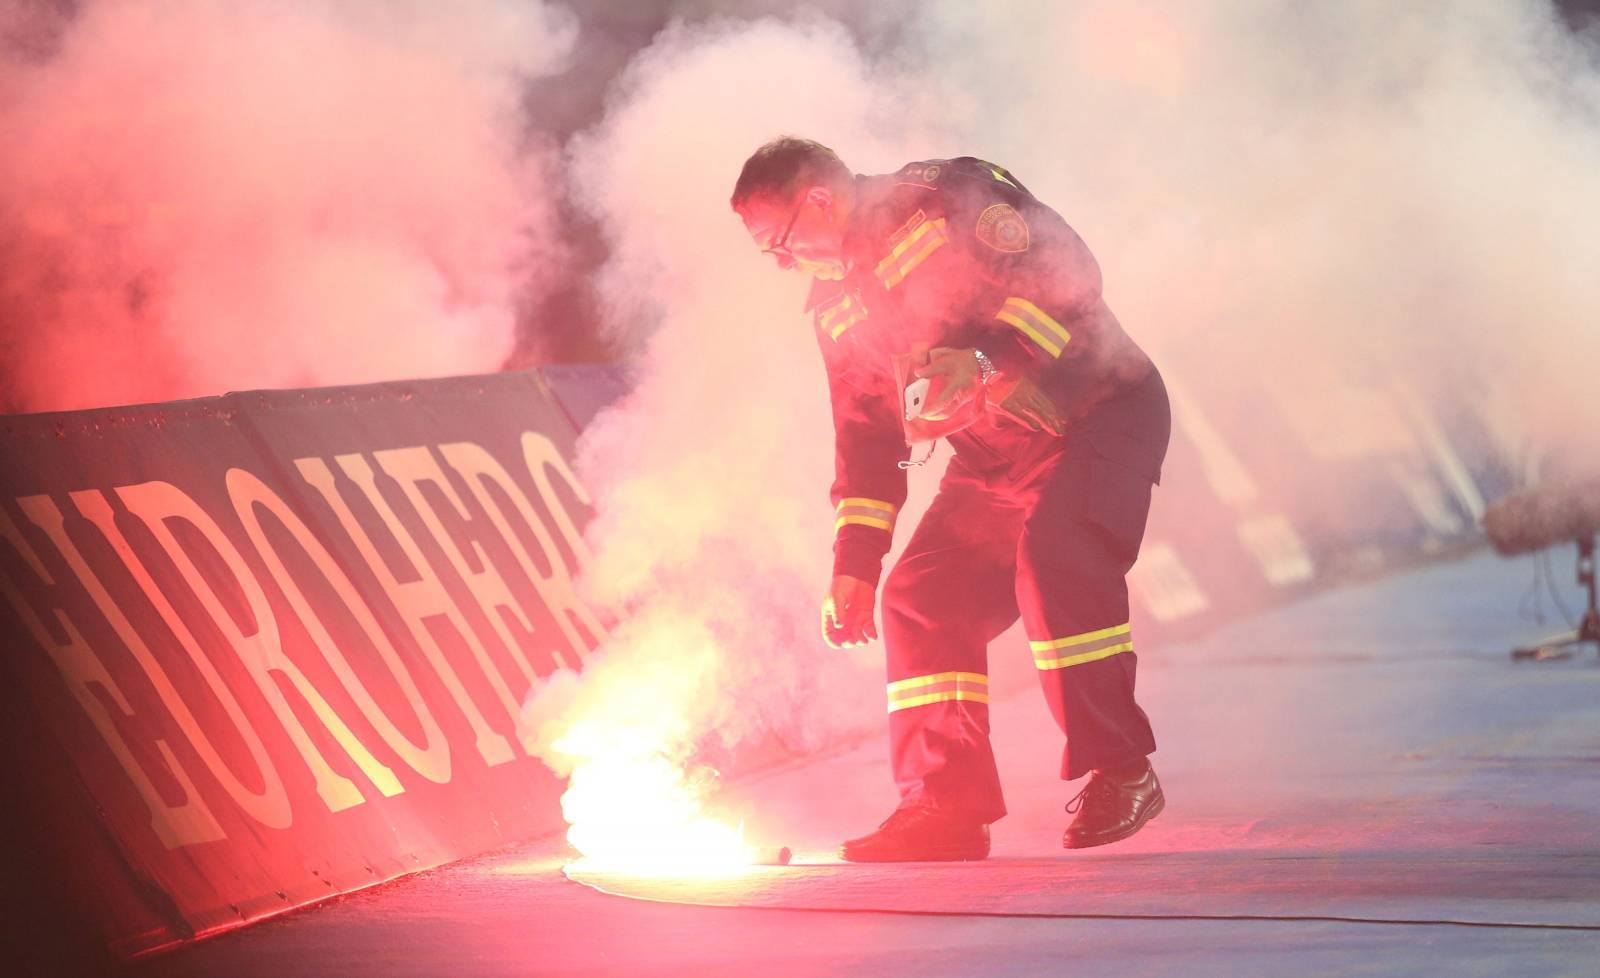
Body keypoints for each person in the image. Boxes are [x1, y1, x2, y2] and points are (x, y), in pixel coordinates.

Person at [731, 137, 1171, 861]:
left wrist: (988, 362)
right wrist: (855, 565)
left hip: (1099, 414)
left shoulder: (942, 201)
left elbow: (1069, 281)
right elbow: (868, 442)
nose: (782, 264)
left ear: (817, 199)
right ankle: (944, 808)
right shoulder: (836, 308)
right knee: (918, 598)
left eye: (779, 244)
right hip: (996, 459)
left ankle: (1123, 769)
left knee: (1053, 564)